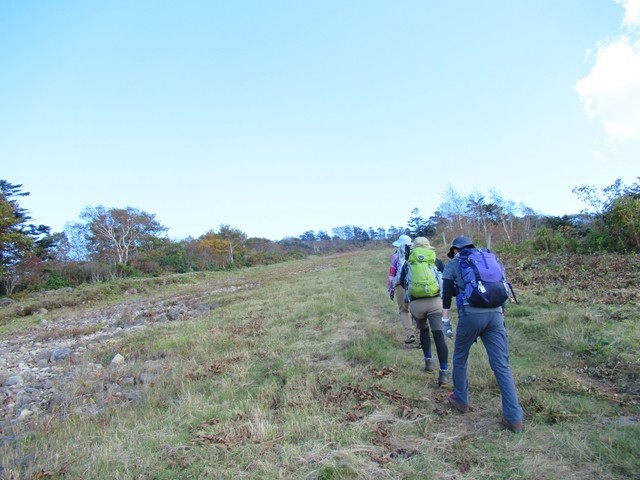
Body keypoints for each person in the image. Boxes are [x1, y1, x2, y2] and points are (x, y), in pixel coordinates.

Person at [441, 235, 525, 433]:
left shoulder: (454, 263)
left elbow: (446, 294)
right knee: (502, 366)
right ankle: (514, 418)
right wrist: (500, 318)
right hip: (495, 314)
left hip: (470, 315)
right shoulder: (490, 259)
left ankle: (461, 400)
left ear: (455, 249)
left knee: (460, 356)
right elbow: (499, 287)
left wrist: (445, 320)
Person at [398, 236, 450, 387]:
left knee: (424, 331)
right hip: (435, 302)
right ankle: (444, 374)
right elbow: (446, 277)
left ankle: (429, 364)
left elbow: (402, 282)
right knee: (439, 336)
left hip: (416, 304)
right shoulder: (435, 260)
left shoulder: (409, 263)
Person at [387, 234, 417, 344]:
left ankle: (410, 334)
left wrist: (390, 289)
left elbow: (392, 275)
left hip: (401, 285)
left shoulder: (395, 256)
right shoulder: (415, 254)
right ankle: (421, 338)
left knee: (403, 310)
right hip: (415, 285)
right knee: (416, 310)